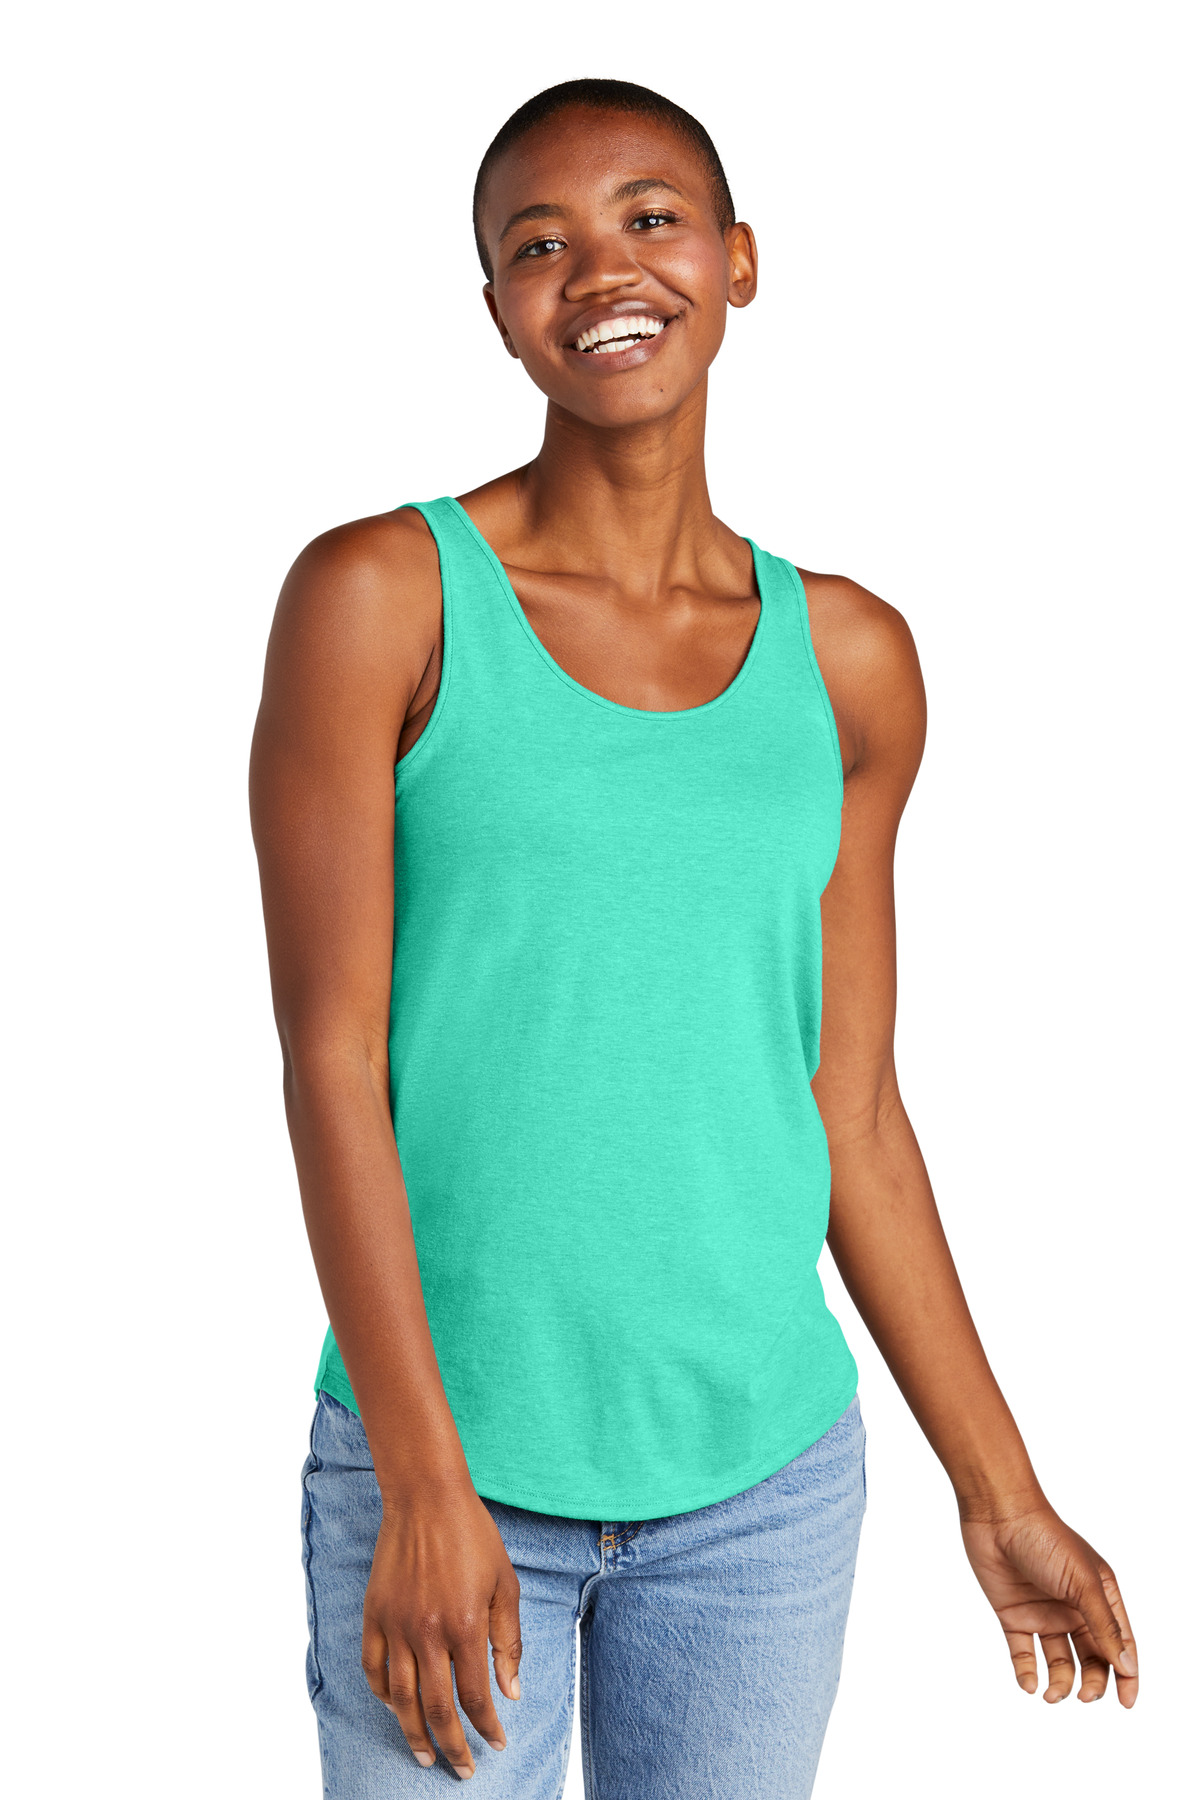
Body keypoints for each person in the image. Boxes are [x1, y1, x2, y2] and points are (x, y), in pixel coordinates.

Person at [249, 78, 1138, 1798]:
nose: (602, 270)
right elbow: (330, 1061)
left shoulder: (851, 660)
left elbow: (846, 1105)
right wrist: (421, 1482)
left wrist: (1000, 1488)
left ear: (738, 262)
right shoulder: (381, 601)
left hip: (761, 1492)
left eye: (649, 220)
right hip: (449, 1461)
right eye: (539, 244)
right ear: (499, 309)